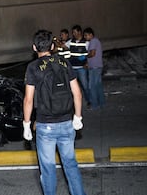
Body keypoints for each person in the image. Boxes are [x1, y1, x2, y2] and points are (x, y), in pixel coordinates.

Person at [23, 29, 86, 195]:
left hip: (46, 126)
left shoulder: (33, 67)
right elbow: (77, 93)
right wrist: (77, 117)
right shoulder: (65, 63)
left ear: (34, 48)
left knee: (48, 169)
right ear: (52, 46)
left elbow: (28, 100)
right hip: (66, 122)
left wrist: (27, 125)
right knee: (71, 165)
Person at [84, 27, 105, 110]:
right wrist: (87, 62)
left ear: (91, 35)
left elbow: (92, 54)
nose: (85, 37)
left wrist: (84, 56)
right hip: (97, 66)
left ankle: (94, 105)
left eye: (86, 35)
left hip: (94, 67)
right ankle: (102, 103)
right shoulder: (96, 41)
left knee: (92, 86)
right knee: (98, 85)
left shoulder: (93, 41)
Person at [68, 25, 90, 106]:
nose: (73, 34)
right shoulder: (71, 41)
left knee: (85, 86)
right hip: (72, 68)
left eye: (75, 32)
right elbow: (63, 46)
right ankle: (74, 103)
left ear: (79, 32)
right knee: (73, 87)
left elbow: (91, 54)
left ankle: (89, 101)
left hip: (82, 68)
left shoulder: (86, 43)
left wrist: (87, 63)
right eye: (73, 32)